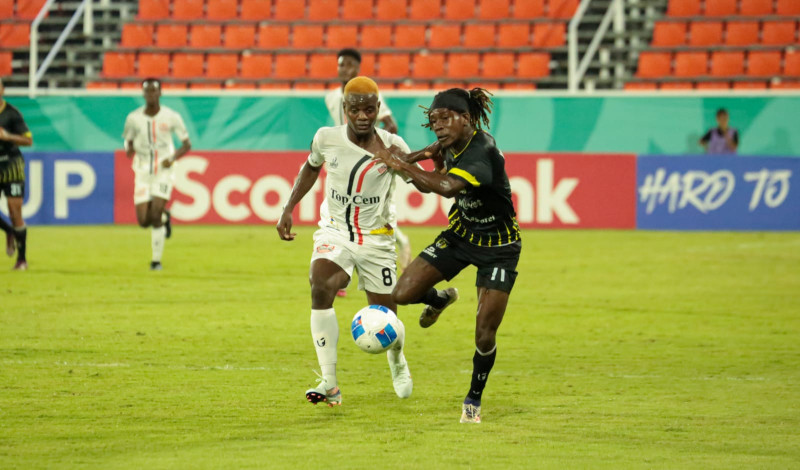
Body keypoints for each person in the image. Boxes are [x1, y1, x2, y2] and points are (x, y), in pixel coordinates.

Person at [372, 88, 522, 424]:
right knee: (402, 293)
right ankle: (439, 299)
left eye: (444, 119)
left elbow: (445, 188)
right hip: (461, 235)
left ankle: (473, 398)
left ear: (465, 118)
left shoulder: (482, 152)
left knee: (485, 332)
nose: (437, 126)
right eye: (433, 120)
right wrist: (402, 162)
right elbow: (431, 169)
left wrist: (398, 163)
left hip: (499, 249)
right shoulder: (449, 143)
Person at [278, 76, 413, 407]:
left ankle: (397, 359)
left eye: (369, 109)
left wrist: (404, 163)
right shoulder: (326, 138)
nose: (363, 116)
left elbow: (420, 183)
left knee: (387, 317)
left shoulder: (394, 144)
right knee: (320, 283)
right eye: (355, 109)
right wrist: (288, 207)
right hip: (335, 231)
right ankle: (330, 383)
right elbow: (310, 169)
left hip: (377, 240)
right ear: (345, 109)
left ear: (378, 109)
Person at [325, 48, 411, 291]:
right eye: (341, 65)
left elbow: (391, 124)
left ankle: (398, 246)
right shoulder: (331, 97)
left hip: (371, 163)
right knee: (340, 212)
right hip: (343, 162)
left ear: (357, 68)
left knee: (375, 214)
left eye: (350, 65)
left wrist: (380, 151)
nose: (345, 69)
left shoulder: (369, 95)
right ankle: (339, 270)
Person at [122, 78, 191, 270]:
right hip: (142, 171)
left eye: (154, 91)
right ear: (143, 94)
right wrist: (128, 149)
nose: (151, 95)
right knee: (144, 221)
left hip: (164, 170)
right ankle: (165, 218)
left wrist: (173, 158)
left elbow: (186, 144)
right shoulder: (133, 118)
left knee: (156, 212)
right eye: (147, 91)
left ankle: (156, 261)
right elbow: (127, 140)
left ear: (160, 93)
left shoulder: (171, 117)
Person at [0, 78, 32, 271]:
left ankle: (22, 259)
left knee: (14, 212)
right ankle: (8, 231)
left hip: (11, 165)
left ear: (2, 89)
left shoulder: (12, 114)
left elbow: (28, 141)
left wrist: (7, 136)